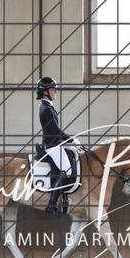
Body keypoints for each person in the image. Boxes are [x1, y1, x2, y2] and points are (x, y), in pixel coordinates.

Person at [36, 76, 74, 217]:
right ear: (45, 92)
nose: (56, 92)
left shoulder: (48, 107)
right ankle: (51, 205)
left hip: (55, 143)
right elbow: (55, 130)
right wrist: (71, 139)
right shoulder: (46, 109)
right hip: (52, 146)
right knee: (66, 171)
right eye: (53, 90)